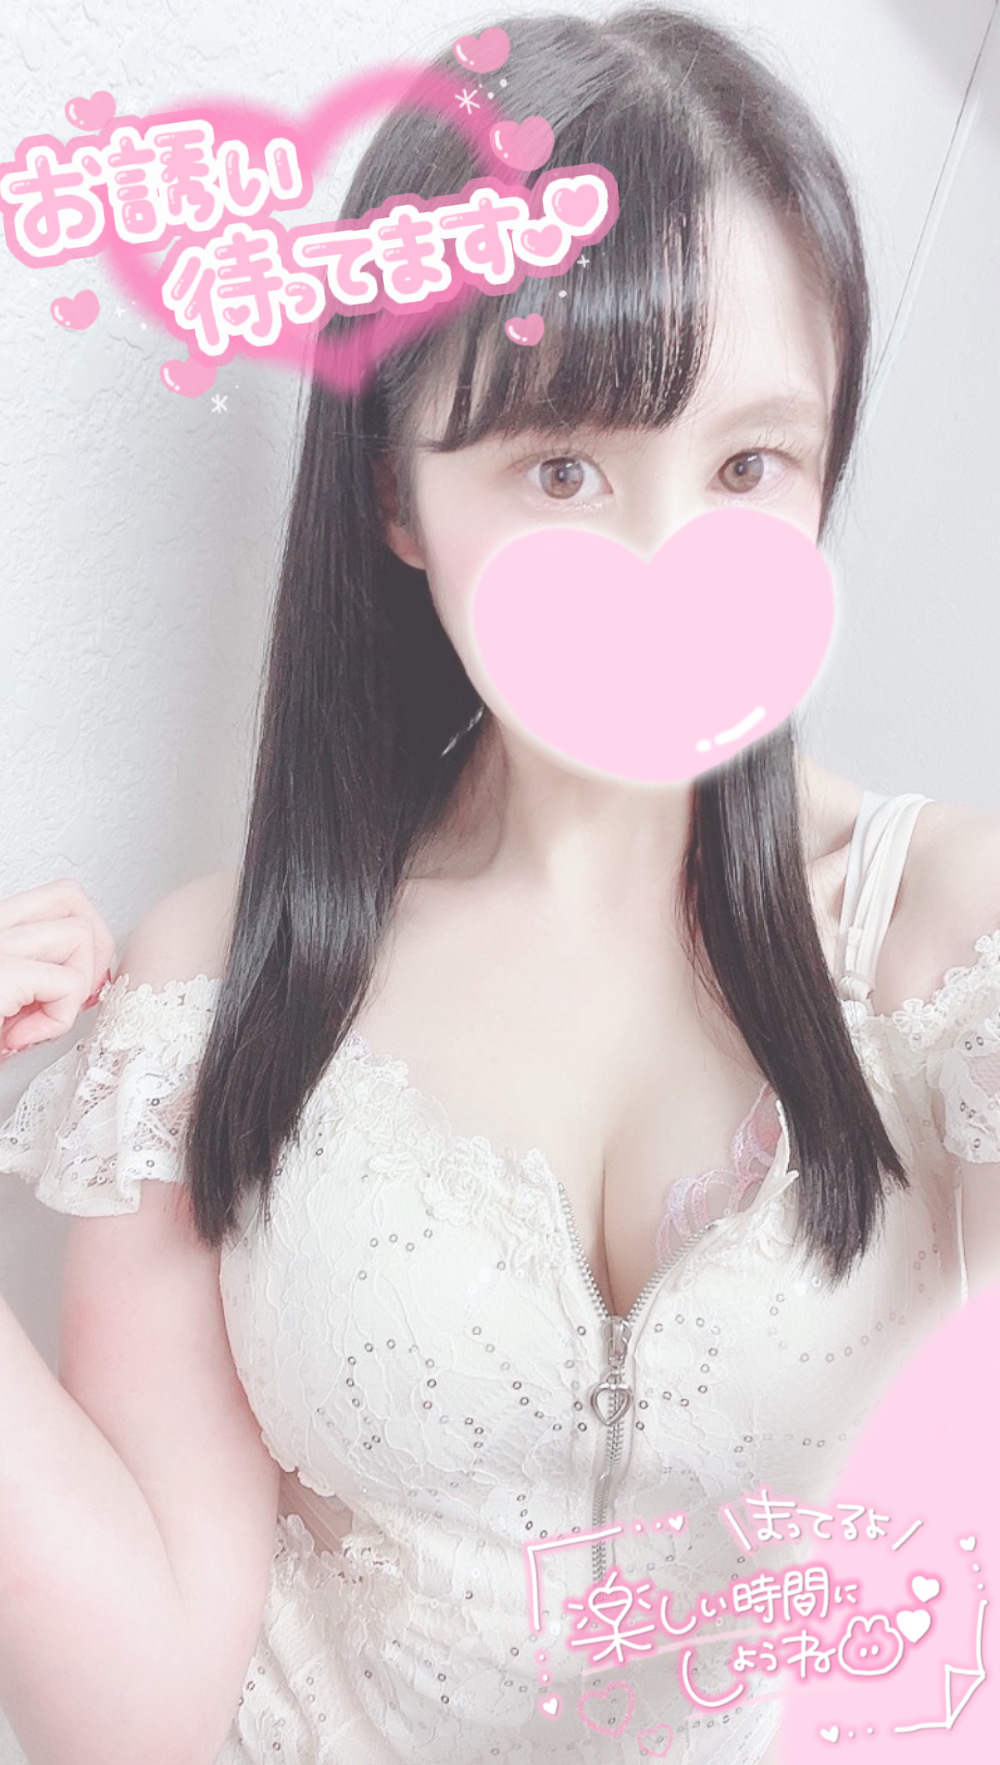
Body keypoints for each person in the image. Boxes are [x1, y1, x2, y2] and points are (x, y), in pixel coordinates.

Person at [1, 8, 1000, 1762]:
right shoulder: (215, 988)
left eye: (749, 465)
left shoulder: (943, 941)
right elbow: (137, 1706)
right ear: (397, 491)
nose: (670, 566)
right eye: (562, 467)